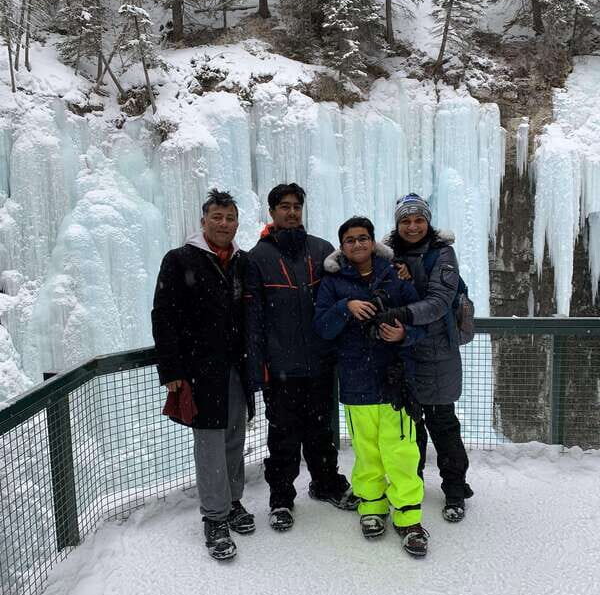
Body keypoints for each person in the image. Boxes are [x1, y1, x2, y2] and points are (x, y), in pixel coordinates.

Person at [245, 183, 359, 531]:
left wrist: (395, 269)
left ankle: (325, 484)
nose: (291, 212)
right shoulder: (257, 258)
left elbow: (354, 281)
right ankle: (281, 498)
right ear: (272, 212)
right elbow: (253, 319)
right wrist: (257, 366)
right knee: (283, 436)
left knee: (322, 431)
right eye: (284, 206)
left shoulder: (322, 251)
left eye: (296, 206)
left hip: (321, 363)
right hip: (281, 368)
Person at [314, 216, 429, 557]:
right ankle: (372, 509)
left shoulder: (394, 274)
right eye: (350, 240)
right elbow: (322, 327)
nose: (358, 245)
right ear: (342, 246)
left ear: (373, 241)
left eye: (363, 238)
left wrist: (405, 334)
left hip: (396, 381)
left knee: (402, 452)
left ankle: (409, 517)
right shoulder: (333, 283)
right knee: (367, 451)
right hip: (356, 380)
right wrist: (344, 307)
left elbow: (420, 317)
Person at [151, 189, 255, 561]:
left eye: (230, 218)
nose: (224, 224)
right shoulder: (180, 260)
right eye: (217, 217)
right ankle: (214, 517)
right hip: (200, 369)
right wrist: (172, 369)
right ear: (203, 221)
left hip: (236, 365)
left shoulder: (241, 262)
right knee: (210, 441)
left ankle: (233, 501)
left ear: (237, 223)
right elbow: (164, 315)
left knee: (234, 435)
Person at [376, 193, 473, 522]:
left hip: (437, 354)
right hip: (402, 353)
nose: (412, 226)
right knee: (410, 428)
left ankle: (455, 489)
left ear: (428, 221)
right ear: (397, 223)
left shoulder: (442, 254)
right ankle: (410, 486)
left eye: (418, 219)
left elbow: (439, 302)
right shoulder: (387, 254)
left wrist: (400, 313)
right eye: (405, 220)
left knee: (442, 424)